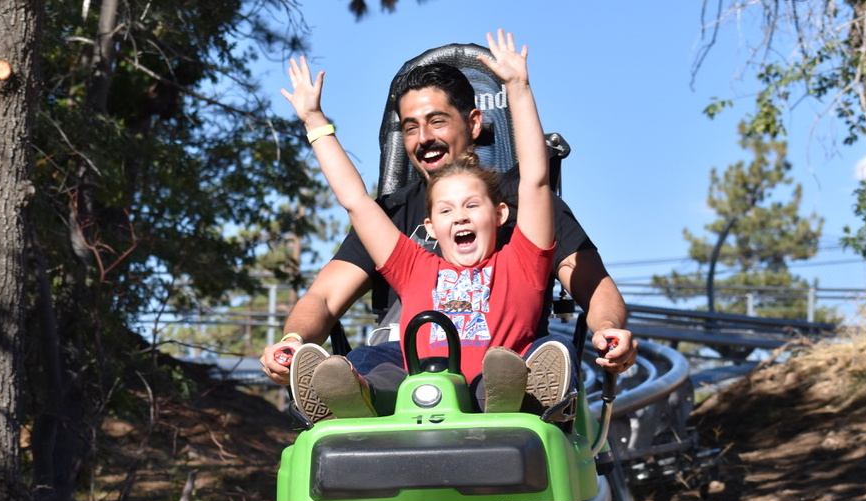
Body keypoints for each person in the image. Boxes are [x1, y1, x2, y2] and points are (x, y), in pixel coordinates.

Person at [261, 49, 637, 421]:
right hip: (418, 373)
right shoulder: (412, 257)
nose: (459, 218)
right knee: (370, 364)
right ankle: (353, 399)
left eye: (436, 121)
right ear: (430, 226)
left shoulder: (522, 252)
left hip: (503, 360)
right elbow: (355, 202)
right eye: (410, 127)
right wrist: (313, 120)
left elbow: (537, 181)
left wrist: (518, 87)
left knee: (538, 354)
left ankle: (514, 397)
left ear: (501, 213)